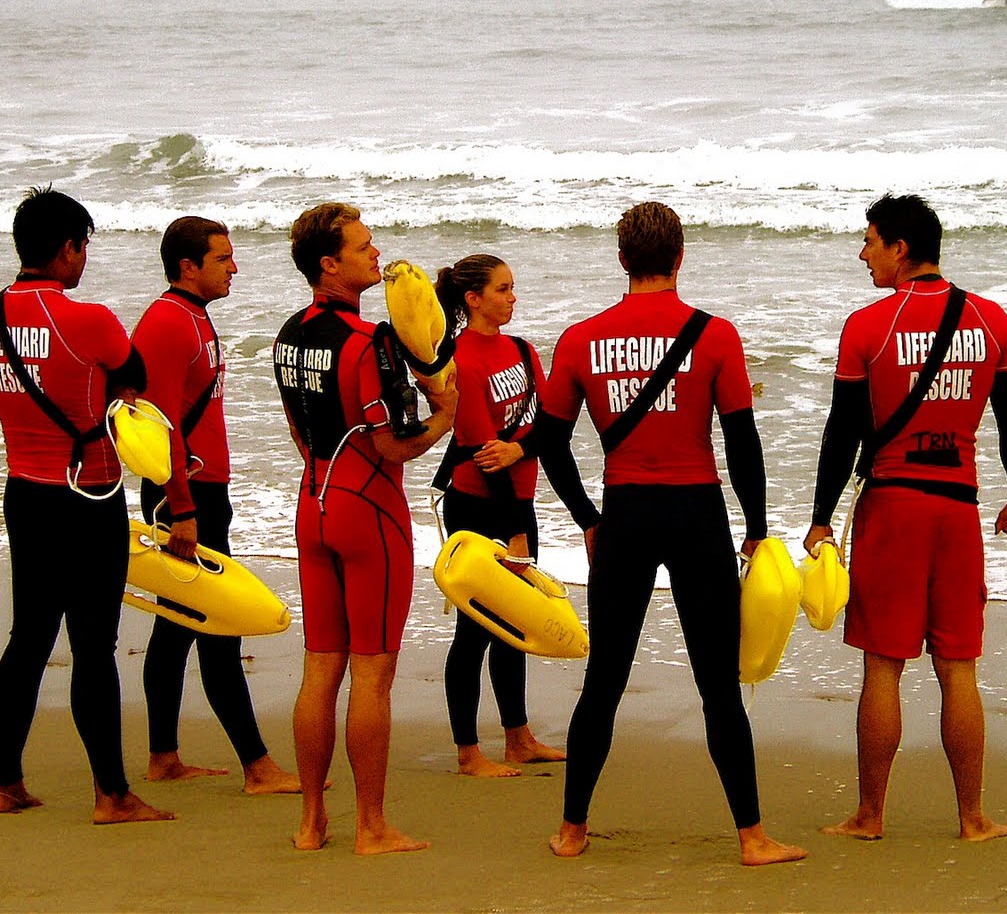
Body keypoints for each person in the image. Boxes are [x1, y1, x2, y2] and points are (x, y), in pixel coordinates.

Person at [534, 201, 807, 867]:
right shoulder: (715, 336)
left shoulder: (580, 339)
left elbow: (548, 440)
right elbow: (742, 444)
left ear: (623, 259)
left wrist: (587, 520)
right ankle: (752, 838)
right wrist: (758, 530)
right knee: (717, 682)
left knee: (605, 678)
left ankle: (572, 830)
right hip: (696, 515)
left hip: (625, 512)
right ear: (680, 257)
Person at [804, 192, 1007, 843]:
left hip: (893, 509)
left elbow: (842, 431)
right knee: (958, 667)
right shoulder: (991, 322)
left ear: (901, 248)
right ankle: (973, 817)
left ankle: (870, 816)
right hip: (957, 509)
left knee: (883, 664)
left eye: (870, 240)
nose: (863, 252)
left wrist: (820, 517)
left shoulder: (867, 327)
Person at [0, 186, 174, 825]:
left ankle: (7, 782)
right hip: (88, 497)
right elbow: (133, 374)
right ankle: (111, 795)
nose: (84, 261)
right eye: (82, 247)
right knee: (93, 644)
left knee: (27, 637)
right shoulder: (88, 319)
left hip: (23, 492)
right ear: (66, 249)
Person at [272, 202, 458, 854]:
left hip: (314, 499)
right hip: (368, 510)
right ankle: (372, 825)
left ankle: (311, 821)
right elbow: (394, 445)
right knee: (372, 673)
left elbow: (301, 432)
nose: (376, 255)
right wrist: (447, 415)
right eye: (363, 246)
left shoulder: (288, 334)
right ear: (330, 263)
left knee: (320, 667)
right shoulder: (367, 342)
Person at [131, 216, 299, 795]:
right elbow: (158, 423)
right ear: (188, 267)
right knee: (218, 620)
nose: (235, 267)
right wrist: (180, 507)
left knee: (178, 626)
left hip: (203, 491)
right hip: (185, 496)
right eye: (223, 258)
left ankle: (163, 757)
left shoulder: (194, 316)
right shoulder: (166, 323)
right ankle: (257, 767)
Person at [432, 254, 566, 778]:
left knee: (517, 621)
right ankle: (468, 753)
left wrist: (519, 449)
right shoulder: (460, 361)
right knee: (475, 629)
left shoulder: (522, 350)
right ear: (473, 299)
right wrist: (512, 534)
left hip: (520, 501)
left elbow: (552, 425)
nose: (513, 297)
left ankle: (519, 737)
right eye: (503, 289)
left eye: (513, 288)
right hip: (479, 505)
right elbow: (484, 456)